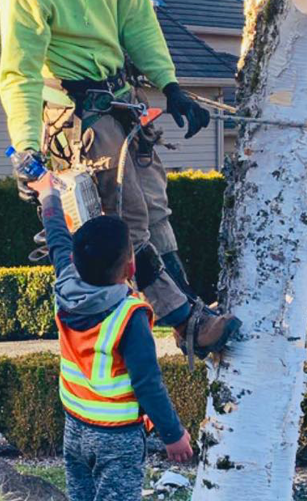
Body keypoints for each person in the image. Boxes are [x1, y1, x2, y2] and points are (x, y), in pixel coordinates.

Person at [0, 0, 240, 361]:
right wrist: (25, 147)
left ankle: (189, 308)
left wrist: (170, 85)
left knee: (155, 207)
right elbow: (18, 72)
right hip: (76, 114)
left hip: (122, 100)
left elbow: (136, 18)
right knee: (128, 223)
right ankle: (186, 320)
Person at [29, 172, 193, 501]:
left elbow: (58, 236)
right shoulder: (129, 317)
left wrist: (48, 194)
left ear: (74, 259)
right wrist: (173, 434)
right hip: (117, 438)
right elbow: (148, 384)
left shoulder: (65, 282)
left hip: (75, 426)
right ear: (131, 269)